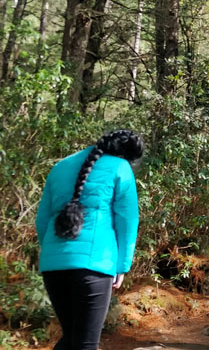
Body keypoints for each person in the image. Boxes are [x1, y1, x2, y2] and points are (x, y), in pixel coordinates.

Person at [36, 130, 144, 350]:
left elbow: (42, 220)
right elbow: (127, 221)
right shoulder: (119, 167)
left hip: (54, 268)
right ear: (127, 155)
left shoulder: (59, 167)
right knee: (85, 344)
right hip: (94, 266)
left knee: (71, 339)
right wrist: (122, 266)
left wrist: (54, 255)